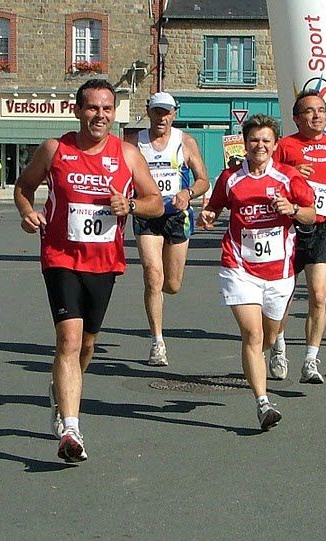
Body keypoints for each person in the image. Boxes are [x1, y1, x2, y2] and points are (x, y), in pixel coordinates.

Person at [14, 78, 163, 462]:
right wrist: (28, 211)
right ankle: (71, 428)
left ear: (115, 113)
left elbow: (155, 202)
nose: (100, 115)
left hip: (104, 262)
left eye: (107, 109)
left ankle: (60, 391)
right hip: (60, 257)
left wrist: (130, 206)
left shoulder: (127, 154)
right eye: (93, 108)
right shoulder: (55, 149)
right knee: (68, 340)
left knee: (88, 345)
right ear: (78, 110)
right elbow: (24, 185)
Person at [196, 114, 315, 431]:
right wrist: (206, 216)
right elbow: (215, 207)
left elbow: (312, 214)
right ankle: (263, 403)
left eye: (266, 140)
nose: (259, 146)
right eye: (253, 140)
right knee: (253, 334)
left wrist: (292, 210)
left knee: (270, 334)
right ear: (245, 144)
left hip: (278, 270)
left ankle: (276, 345)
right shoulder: (231, 177)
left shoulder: (289, 177)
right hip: (239, 266)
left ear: (275, 144)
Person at [268, 90, 326, 383]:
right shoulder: (286, 146)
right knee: (284, 296)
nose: (317, 116)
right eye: (310, 111)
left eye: (322, 110)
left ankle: (311, 360)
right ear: (296, 117)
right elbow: (269, 177)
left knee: (317, 295)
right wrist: (290, 171)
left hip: (323, 225)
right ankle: (278, 345)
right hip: (290, 227)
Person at [126, 92, 210, 367]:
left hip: (177, 215)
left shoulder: (185, 142)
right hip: (147, 214)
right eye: (157, 112)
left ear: (174, 114)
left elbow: (203, 181)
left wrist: (187, 193)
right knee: (152, 275)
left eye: (167, 112)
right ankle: (157, 342)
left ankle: (160, 295)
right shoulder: (134, 143)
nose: (162, 118)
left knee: (171, 285)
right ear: (148, 112)